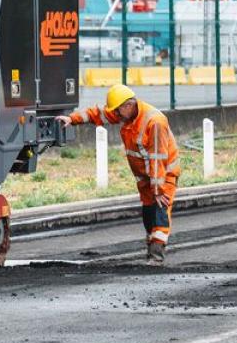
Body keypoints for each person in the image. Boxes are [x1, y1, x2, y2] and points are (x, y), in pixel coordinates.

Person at [55, 85, 180, 265]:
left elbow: (157, 159)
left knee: (160, 212)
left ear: (128, 105)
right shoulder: (126, 113)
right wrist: (72, 119)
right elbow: (98, 114)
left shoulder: (155, 122)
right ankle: (152, 248)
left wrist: (158, 190)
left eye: (118, 111)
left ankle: (156, 256)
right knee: (148, 214)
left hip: (163, 175)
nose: (116, 116)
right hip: (146, 178)